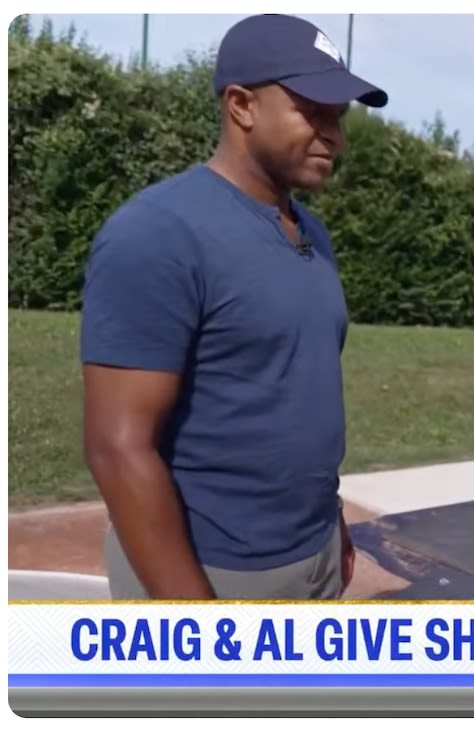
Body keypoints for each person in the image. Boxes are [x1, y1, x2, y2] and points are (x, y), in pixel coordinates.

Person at [79, 14, 389, 600]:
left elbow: (294, 395)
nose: (336, 136)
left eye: (339, 118)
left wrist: (332, 520)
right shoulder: (158, 233)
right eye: (313, 111)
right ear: (242, 105)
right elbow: (117, 449)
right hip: (211, 572)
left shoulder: (310, 234)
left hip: (313, 554)